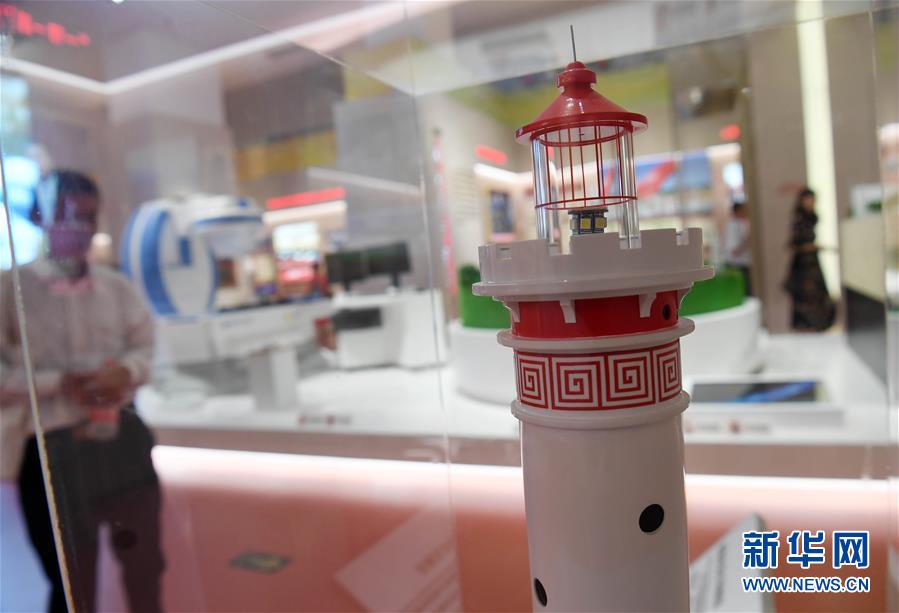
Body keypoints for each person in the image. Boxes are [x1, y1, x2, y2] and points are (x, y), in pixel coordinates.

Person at [0, 170, 165, 613]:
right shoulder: (9, 289)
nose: (81, 227)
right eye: (68, 214)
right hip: (52, 450)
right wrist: (59, 383)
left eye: (89, 216)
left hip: (121, 444)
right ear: (39, 216)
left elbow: (146, 348)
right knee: (72, 583)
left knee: (145, 570)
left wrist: (125, 372)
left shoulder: (117, 287)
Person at [783, 187, 836, 331]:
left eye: (813, 199)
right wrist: (814, 247)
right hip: (804, 264)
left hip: (811, 261)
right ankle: (808, 325)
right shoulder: (800, 219)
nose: (811, 202)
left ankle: (815, 324)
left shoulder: (810, 218)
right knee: (807, 295)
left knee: (816, 295)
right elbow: (793, 244)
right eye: (808, 199)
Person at [723, 201, 753, 295]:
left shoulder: (744, 223)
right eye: (744, 209)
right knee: (744, 293)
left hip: (744, 264)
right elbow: (734, 251)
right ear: (738, 211)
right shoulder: (732, 226)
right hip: (737, 266)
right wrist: (748, 241)